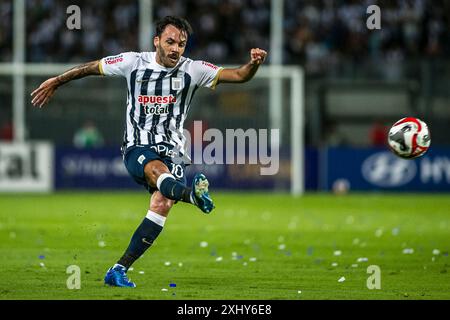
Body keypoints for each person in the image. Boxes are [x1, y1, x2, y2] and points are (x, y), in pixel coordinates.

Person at [31, 16, 267, 288]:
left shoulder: (193, 69)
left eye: (181, 44)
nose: (175, 49)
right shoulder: (133, 63)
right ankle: (192, 195)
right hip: (137, 145)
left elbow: (238, 75)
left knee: (162, 203)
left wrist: (253, 64)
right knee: (158, 172)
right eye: (170, 42)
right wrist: (57, 81)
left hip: (174, 151)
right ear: (157, 41)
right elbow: (90, 68)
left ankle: (118, 269)